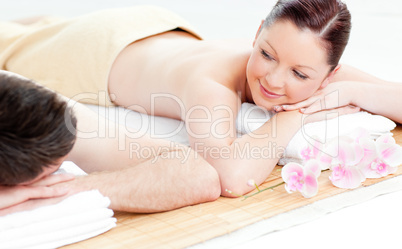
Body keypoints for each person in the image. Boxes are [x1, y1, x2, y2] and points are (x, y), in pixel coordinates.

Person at [1, 0, 401, 199]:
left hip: (157, 30)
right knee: (13, 41)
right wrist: (292, 117)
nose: (274, 81)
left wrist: (352, 91)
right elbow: (227, 177)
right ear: (258, 31)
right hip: (95, 51)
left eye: (299, 75)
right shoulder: (210, 83)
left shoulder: (323, 72)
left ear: (329, 74)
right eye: (265, 54)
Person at [0, 71, 221, 214]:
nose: (55, 174)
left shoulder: (25, 103)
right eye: (50, 173)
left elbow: (197, 175)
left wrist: (57, 190)